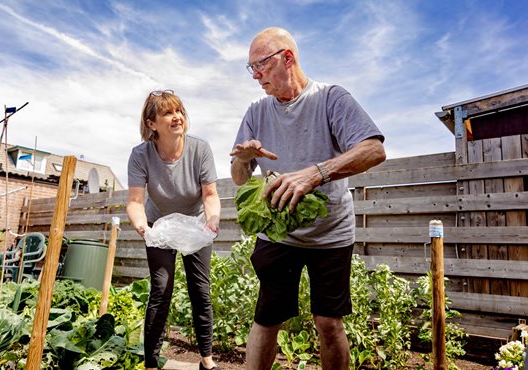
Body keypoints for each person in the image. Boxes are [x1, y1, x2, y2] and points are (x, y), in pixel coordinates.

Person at [230, 27, 386, 370]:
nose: (255, 76)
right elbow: (240, 179)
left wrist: (317, 173)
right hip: (278, 232)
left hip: (330, 232)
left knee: (328, 323)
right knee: (267, 318)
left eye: (261, 66)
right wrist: (243, 159)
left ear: (288, 58)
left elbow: (374, 149)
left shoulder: (331, 98)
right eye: (251, 69)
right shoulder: (256, 111)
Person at [127, 90, 221, 370]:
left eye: (179, 110)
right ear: (151, 123)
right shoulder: (141, 155)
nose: (177, 116)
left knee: (200, 290)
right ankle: (151, 364)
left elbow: (211, 194)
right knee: (161, 289)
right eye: (168, 112)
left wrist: (212, 219)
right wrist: (143, 227)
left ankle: (206, 359)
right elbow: (134, 201)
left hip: (195, 225)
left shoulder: (199, 149)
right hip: (159, 227)